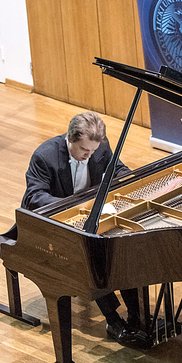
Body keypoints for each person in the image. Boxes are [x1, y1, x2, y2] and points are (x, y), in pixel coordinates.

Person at [19, 111, 148, 348]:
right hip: (54, 226)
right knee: (90, 259)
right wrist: (75, 208)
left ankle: (136, 316)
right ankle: (113, 321)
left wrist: (130, 182)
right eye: (84, 151)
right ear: (70, 138)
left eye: (93, 151)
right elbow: (34, 197)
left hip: (90, 219)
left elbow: (117, 169)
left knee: (123, 249)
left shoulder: (99, 147)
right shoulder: (44, 156)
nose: (89, 155)